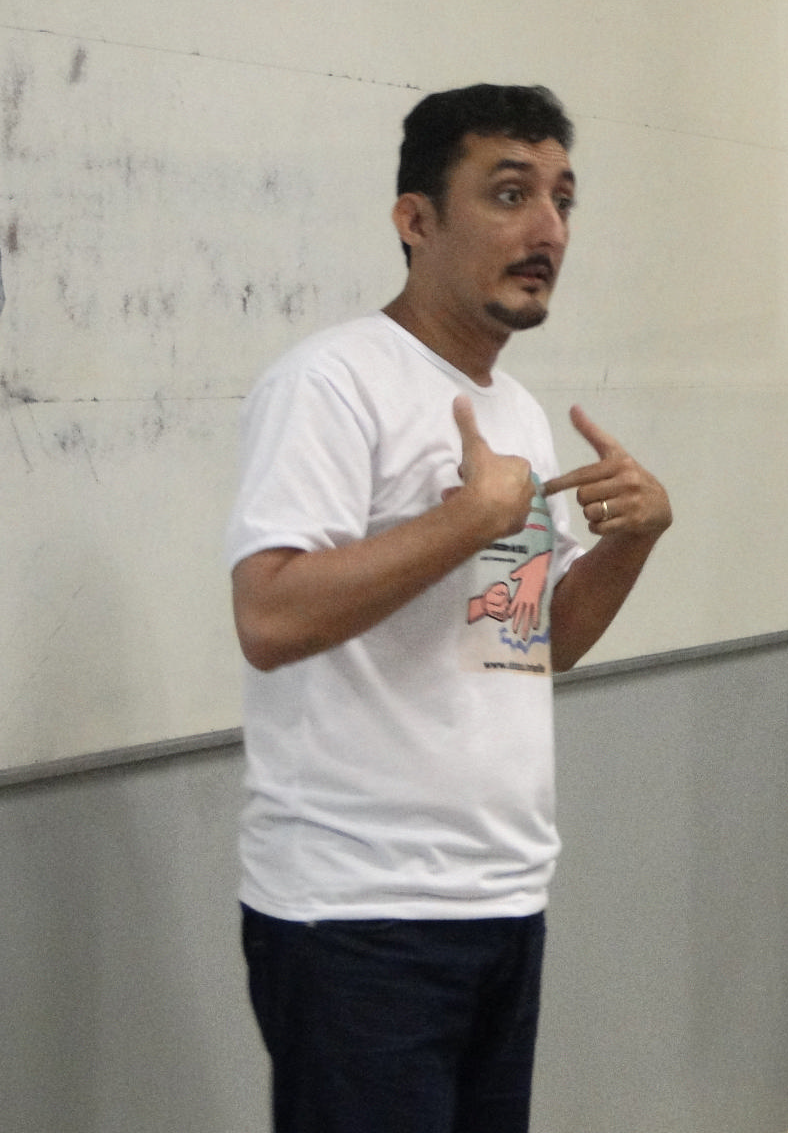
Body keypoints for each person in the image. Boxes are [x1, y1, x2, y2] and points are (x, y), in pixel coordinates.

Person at [224, 84, 671, 1133]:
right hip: (356, 914)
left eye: (563, 199)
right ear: (415, 220)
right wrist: (467, 520)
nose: (547, 229)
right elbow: (269, 617)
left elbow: (536, 642)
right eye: (510, 194)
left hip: (501, 897)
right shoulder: (331, 383)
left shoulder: (516, 412)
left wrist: (632, 541)